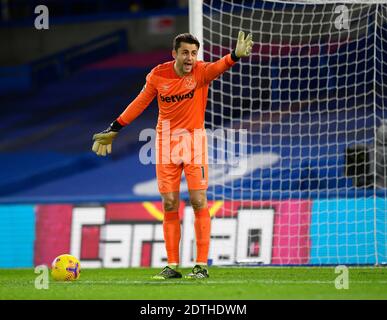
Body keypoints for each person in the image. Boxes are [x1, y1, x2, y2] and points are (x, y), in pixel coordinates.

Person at [92, 31, 253, 279]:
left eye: (194, 53)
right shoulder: (158, 75)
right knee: (169, 204)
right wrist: (115, 128)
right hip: (165, 144)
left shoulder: (201, 72)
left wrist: (234, 56)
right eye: (186, 52)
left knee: (199, 200)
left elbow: (219, 67)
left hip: (194, 143)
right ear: (174, 54)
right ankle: (172, 265)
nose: (190, 58)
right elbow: (140, 102)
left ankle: (201, 266)